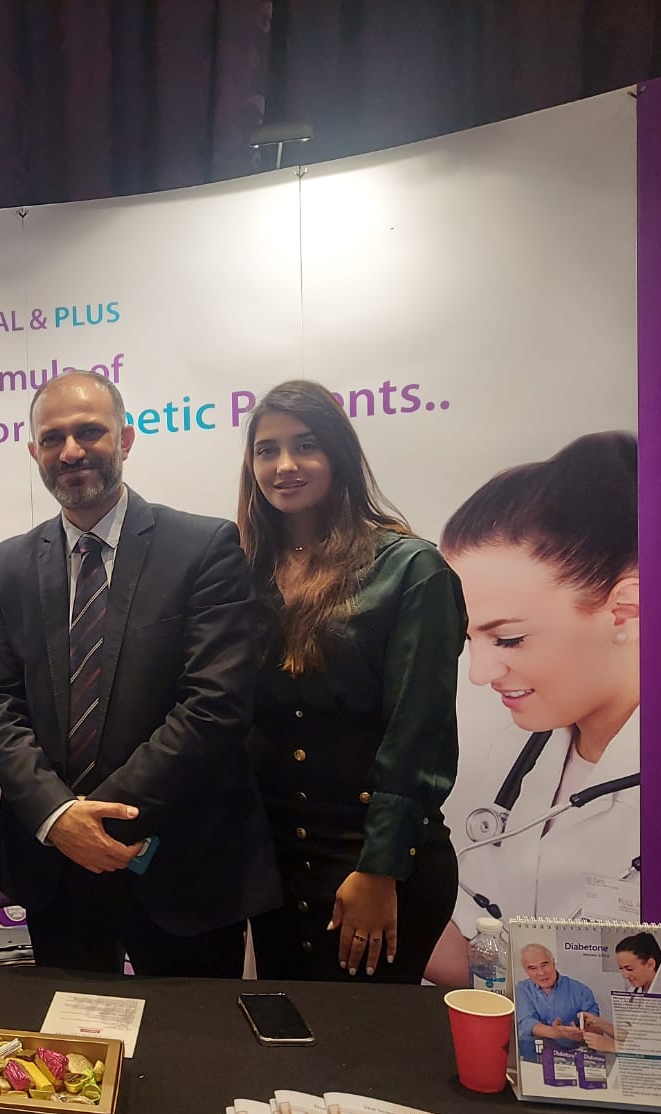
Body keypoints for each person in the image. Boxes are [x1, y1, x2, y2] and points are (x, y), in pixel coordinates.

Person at [0, 370, 278, 975]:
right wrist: (59, 818)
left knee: (192, 1031)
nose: (71, 451)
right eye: (53, 438)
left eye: (89, 431)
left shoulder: (204, 547)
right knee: (71, 1030)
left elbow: (214, 705)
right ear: (34, 451)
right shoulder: (4, 567)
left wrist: (95, 815)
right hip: (58, 869)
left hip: (180, 861)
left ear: (126, 438)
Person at [236, 380, 465, 982]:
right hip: (278, 863)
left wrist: (381, 868)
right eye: (267, 450)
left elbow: (418, 731)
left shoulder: (411, 569)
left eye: (305, 445)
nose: (284, 465)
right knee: (286, 1030)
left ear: (338, 454)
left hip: (373, 860)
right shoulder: (242, 572)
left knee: (362, 1036)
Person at [427, 432, 639, 985]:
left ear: (626, 609)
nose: (479, 673)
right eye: (470, 639)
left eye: (510, 639)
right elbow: (483, 955)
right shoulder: (520, 752)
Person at [513, 942, 600, 1063]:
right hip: (534, 1059)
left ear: (553, 963)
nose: (541, 973)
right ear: (525, 970)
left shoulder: (581, 990)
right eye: (532, 968)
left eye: (544, 965)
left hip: (573, 1059)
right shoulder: (522, 989)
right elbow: (526, 1023)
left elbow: (597, 1027)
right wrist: (555, 1033)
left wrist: (583, 1032)